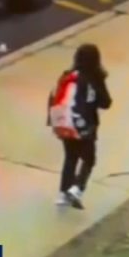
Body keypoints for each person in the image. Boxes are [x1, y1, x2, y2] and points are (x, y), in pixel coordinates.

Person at [48, 43, 112, 209]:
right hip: (85, 126)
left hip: (64, 123)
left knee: (70, 157)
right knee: (89, 159)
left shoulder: (67, 76)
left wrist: (53, 122)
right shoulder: (94, 78)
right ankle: (77, 188)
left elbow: (54, 97)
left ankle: (63, 193)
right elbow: (106, 103)